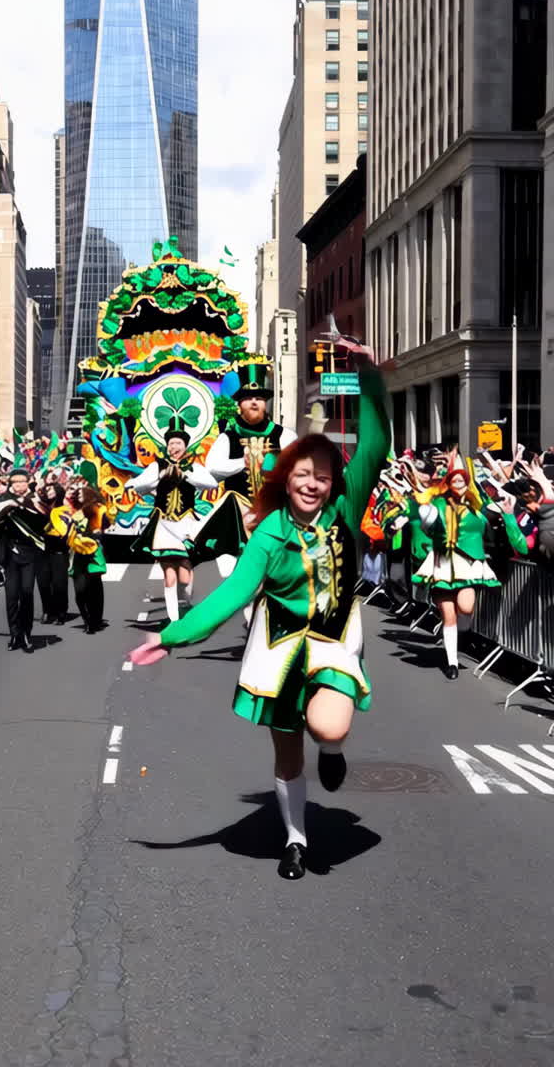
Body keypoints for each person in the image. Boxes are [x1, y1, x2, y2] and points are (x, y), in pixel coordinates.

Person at [130, 344, 390, 882]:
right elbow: (233, 596)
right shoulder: (269, 531)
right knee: (287, 751)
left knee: (327, 724)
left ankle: (335, 750)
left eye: (321, 474)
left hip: (335, 636)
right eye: (302, 474)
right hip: (276, 644)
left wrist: (368, 372)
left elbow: (377, 440)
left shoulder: (347, 505)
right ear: (286, 480)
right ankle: (295, 839)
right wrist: (173, 636)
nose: (312, 482)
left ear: (333, 481)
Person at [412, 465, 528, 679]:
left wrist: (509, 516)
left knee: (466, 608)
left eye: (462, 481)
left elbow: (519, 545)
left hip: (469, 566)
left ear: (468, 484)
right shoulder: (437, 504)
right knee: (449, 616)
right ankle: (452, 662)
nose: (458, 485)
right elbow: (427, 526)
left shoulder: (478, 508)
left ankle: (455, 637)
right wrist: (426, 517)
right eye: (454, 481)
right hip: (443, 565)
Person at [194, 363, 297, 572]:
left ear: (265, 403)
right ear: (239, 404)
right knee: (243, 569)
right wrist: (243, 462)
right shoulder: (228, 438)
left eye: (259, 398)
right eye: (249, 398)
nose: (254, 403)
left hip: (274, 509)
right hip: (240, 513)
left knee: (276, 566)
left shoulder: (284, 435)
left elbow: (298, 468)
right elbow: (213, 467)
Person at [125, 422, 217, 621]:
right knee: (169, 573)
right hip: (164, 525)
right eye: (171, 444)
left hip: (185, 525)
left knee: (185, 574)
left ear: (185, 446)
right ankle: (173, 620)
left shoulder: (194, 466)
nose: (174, 447)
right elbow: (140, 483)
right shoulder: (157, 465)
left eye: (178, 443)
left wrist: (187, 476)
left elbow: (211, 483)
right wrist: (157, 478)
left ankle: (185, 604)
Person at [0, 469, 46, 652]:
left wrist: (26, 508)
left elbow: (43, 524)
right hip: (8, 554)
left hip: (29, 553)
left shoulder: (36, 501)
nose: (18, 485)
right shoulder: (1, 502)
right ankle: (15, 635)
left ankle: (26, 633)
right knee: (11, 596)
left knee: (27, 592)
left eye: (22, 482)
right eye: (14, 482)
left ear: (28, 482)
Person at [66, 482, 108, 634]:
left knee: (94, 587)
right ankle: (86, 618)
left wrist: (95, 532)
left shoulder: (97, 510)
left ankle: (94, 620)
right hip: (75, 554)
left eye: (82, 493)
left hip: (93, 553)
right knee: (80, 591)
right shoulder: (71, 513)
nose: (79, 495)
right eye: (77, 494)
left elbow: (102, 527)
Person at [36, 480, 70, 624]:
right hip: (41, 550)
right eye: (47, 489)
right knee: (43, 583)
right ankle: (47, 611)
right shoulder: (39, 507)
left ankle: (61, 612)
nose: (49, 492)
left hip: (59, 550)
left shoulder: (64, 509)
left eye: (52, 489)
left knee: (59, 584)